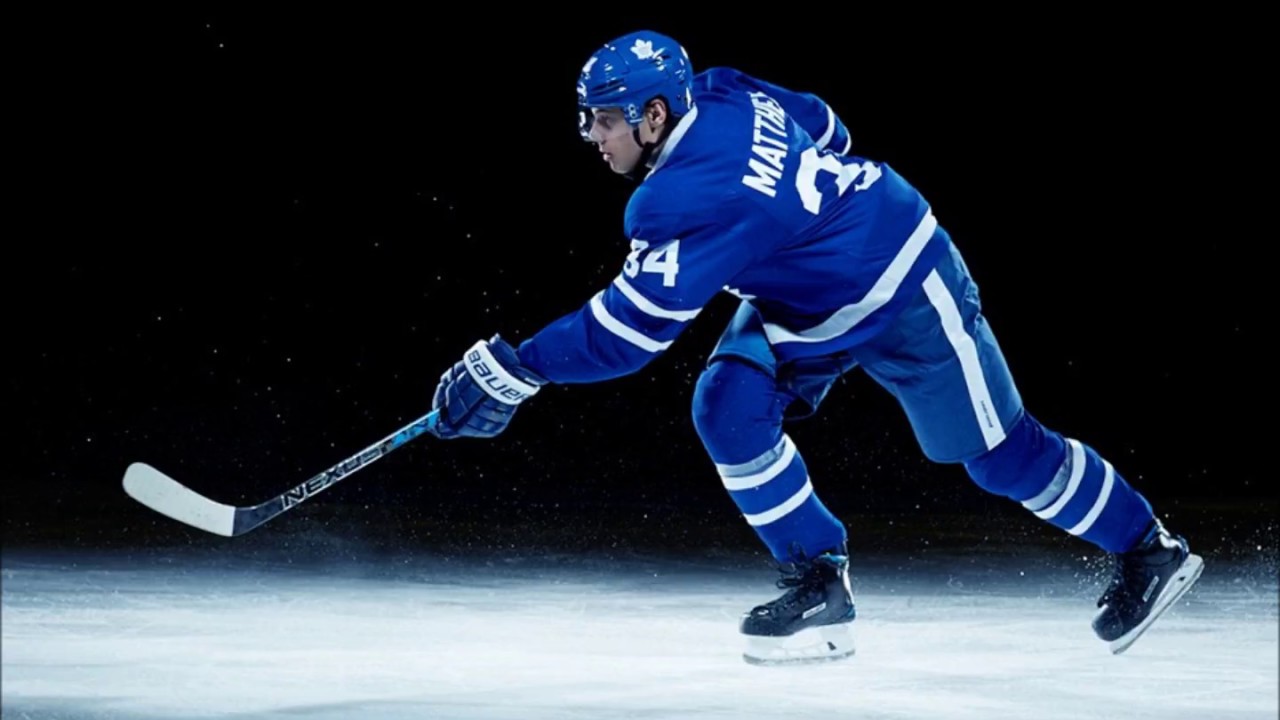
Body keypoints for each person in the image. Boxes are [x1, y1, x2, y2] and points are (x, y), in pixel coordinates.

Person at [425, 29, 1204, 665]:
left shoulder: (679, 198)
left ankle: (1149, 549)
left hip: (900, 283)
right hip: (805, 294)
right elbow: (829, 126)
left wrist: (516, 367)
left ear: (653, 114)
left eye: (603, 118)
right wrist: (788, 223)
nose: (591, 135)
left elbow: (625, 335)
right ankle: (819, 579)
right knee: (728, 407)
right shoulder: (720, 86)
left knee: (1000, 456)